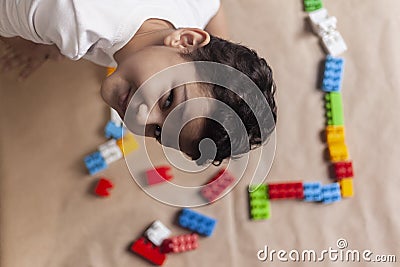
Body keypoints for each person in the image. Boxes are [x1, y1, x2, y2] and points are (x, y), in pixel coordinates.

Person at [0, 0, 277, 165]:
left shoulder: (190, 18)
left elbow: (212, 8)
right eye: (168, 100)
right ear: (186, 40)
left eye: (158, 132)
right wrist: (28, 38)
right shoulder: (72, 21)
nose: (141, 115)